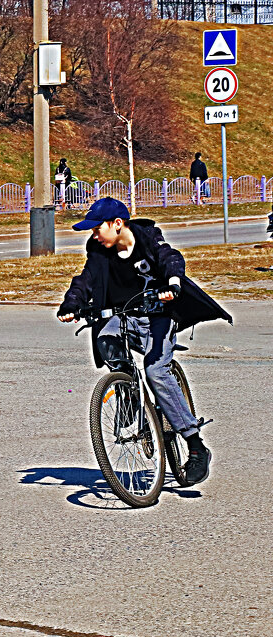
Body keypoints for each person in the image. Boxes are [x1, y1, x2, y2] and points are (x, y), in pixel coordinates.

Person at [56, 197, 232, 486]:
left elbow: (170, 258)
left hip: (159, 315)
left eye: (97, 228)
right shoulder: (98, 251)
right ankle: (128, 390)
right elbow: (85, 280)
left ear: (117, 224)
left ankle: (196, 445)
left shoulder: (148, 238)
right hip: (123, 315)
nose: (94, 235)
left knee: (155, 371)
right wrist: (71, 304)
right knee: (106, 337)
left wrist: (173, 284)